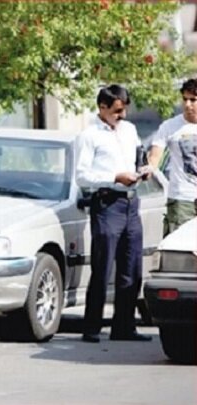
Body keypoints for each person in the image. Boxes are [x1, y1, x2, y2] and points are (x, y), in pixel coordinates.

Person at [76, 84, 152, 343]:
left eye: (124, 109)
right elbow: (82, 175)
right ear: (103, 108)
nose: (122, 115)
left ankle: (124, 326)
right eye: (117, 111)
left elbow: (139, 155)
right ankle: (92, 326)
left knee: (131, 267)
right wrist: (114, 178)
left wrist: (143, 168)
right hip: (108, 203)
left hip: (131, 203)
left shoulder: (129, 130)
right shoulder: (89, 135)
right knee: (103, 265)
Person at [147, 78, 197, 236]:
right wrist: (148, 168)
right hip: (183, 198)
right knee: (180, 248)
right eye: (185, 99)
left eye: (193, 100)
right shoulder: (170, 126)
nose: (188, 104)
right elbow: (154, 158)